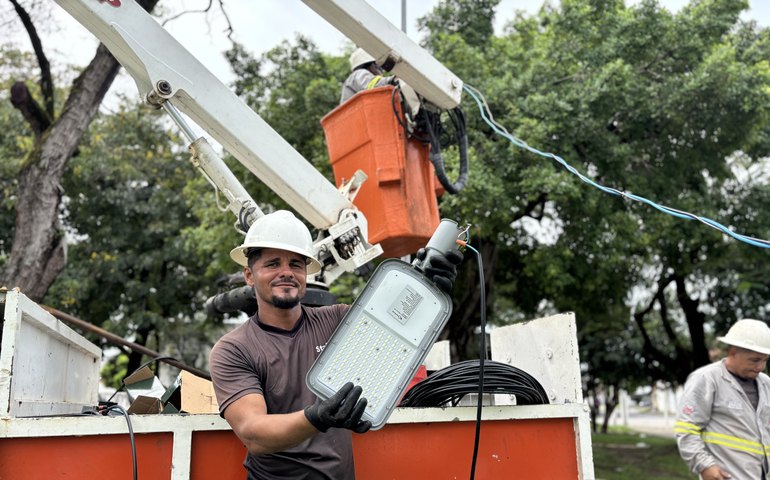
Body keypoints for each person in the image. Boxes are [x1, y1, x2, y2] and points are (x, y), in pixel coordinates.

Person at [209, 210, 462, 479]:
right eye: (273, 264)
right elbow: (254, 433)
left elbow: (402, 331)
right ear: (249, 275)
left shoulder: (339, 320)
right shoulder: (234, 349)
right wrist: (317, 417)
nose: (286, 273)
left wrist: (429, 286)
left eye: (296, 264)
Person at [675, 319, 770, 480]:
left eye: (765, 360)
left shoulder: (766, 384)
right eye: (755, 360)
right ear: (733, 353)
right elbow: (687, 429)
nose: (761, 367)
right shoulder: (706, 379)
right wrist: (704, 465)